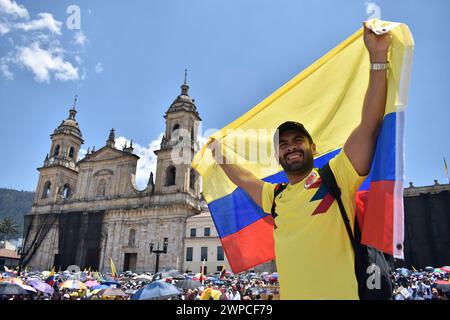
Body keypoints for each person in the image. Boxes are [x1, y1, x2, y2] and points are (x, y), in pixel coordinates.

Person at [208, 22, 391, 300]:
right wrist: (218, 154)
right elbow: (243, 179)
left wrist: (378, 58)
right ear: (278, 156)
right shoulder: (275, 196)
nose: (291, 148)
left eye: (297, 141)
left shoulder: (336, 175)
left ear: (313, 147)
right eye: (283, 144)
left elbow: (369, 125)